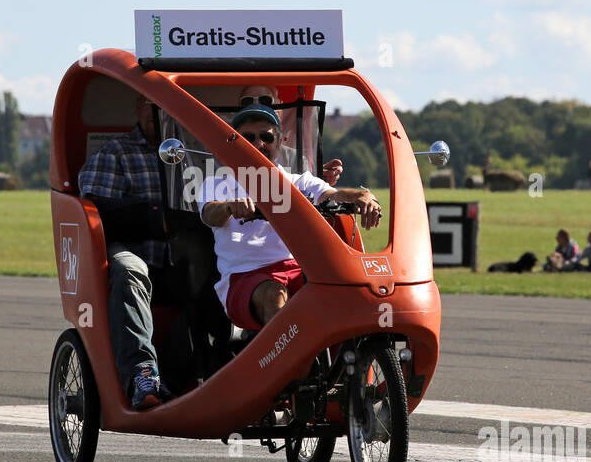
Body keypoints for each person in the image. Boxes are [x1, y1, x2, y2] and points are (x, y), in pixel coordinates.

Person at [198, 104, 381, 331]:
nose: (258, 144)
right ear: (235, 142)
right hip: (244, 277)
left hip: (300, 270)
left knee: (351, 288)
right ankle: (291, 365)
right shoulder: (216, 184)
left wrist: (363, 196)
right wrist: (228, 206)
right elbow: (209, 214)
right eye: (248, 137)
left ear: (280, 141)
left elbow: (332, 194)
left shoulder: (299, 182)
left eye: (266, 136)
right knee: (274, 294)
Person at [78, 94, 177, 410]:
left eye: (164, 104)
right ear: (138, 108)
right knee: (129, 269)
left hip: (182, 255)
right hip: (134, 251)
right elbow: (98, 211)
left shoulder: (195, 153)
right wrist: (155, 217)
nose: (157, 111)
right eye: (150, 104)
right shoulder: (116, 153)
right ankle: (142, 376)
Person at [236, 84, 342, 185]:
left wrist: (319, 177)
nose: (257, 106)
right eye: (247, 102)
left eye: (265, 101)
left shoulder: (295, 159)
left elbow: (307, 187)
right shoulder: (223, 155)